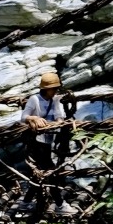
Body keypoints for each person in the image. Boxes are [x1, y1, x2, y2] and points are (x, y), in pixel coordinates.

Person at [19, 71, 76, 211]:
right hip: (36, 143)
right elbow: (23, 117)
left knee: (39, 175)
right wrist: (34, 119)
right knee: (50, 172)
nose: (55, 91)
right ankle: (60, 204)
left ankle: (25, 203)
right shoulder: (34, 100)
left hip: (47, 141)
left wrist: (59, 123)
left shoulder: (54, 100)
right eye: (54, 88)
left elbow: (58, 117)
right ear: (46, 88)